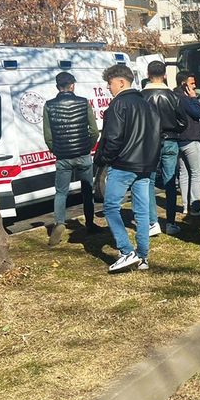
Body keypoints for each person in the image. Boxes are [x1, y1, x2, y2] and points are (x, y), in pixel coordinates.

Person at [95, 64, 160, 272]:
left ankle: (126, 251)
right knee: (141, 212)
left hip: (123, 164)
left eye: (110, 83)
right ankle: (142, 256)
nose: (108, 88)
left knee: (111, 207)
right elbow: (158, 136)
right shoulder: (148, 105)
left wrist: (104, 159)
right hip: (145, 165)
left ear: (121, 82)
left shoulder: (118, 105)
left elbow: (112, 138)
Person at [42, 72, 100, 247]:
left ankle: (59, 223)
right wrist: (87, 147)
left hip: (63, 157)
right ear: (72, 85)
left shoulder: (49, 105)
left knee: (61, 192)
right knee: (87, 190)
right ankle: (90, 223)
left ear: (57, 86)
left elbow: (48, 136)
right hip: (83, 155)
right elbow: (94, 131)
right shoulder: (83, 103)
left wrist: (57, 150)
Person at [142, 60, 188, 236]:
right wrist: (174, 130)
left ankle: (153, 222)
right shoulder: (173, 96)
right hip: (170, 140)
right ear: (164, 75)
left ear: (148, 74)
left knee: (149, 182)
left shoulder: (141, 96)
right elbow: (183, 121)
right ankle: (170, 222)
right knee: (170, 182)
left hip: (148, 143)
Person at [173, 71, 200, 216]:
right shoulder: (185, 98)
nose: (195, 86)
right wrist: (194, 99)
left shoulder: (173, 96)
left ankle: (186, 206)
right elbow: (198, 113)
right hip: (190, 139)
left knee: (184, 173)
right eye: (192, 83)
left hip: (179, 140)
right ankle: (195, 205)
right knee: (197, 173)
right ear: (184, 84)